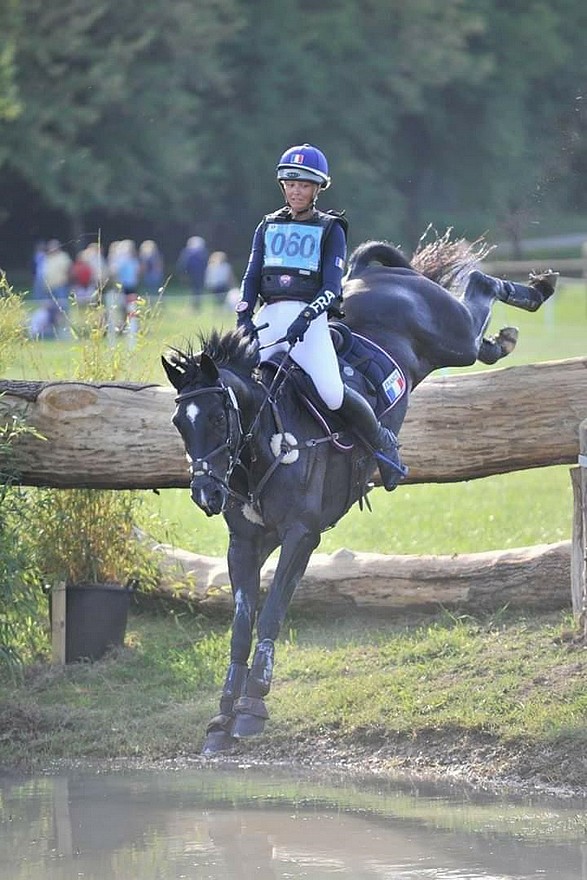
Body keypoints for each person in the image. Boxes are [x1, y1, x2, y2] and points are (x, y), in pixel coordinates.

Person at [235, 143, 404, 491]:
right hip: (268, 318)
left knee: (331, 393)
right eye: (291, 183)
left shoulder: (331, 229)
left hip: (309, 320)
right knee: (239, 388)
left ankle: (383, 445)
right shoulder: (266, 227)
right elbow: (251, 278)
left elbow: (331, 289)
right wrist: (244, 317)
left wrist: (307, 317)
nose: (296, 190)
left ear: (317, 189)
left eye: (304, 185)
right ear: (283, 185)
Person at [177, 236, 209, 309]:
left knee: (194, 290)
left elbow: (183, 264)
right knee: (197, 290)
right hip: (197, 275)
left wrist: (183, 274)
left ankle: (194, 306)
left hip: (193, 275)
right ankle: (195, 306)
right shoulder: (201, 252)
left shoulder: (188, 252)